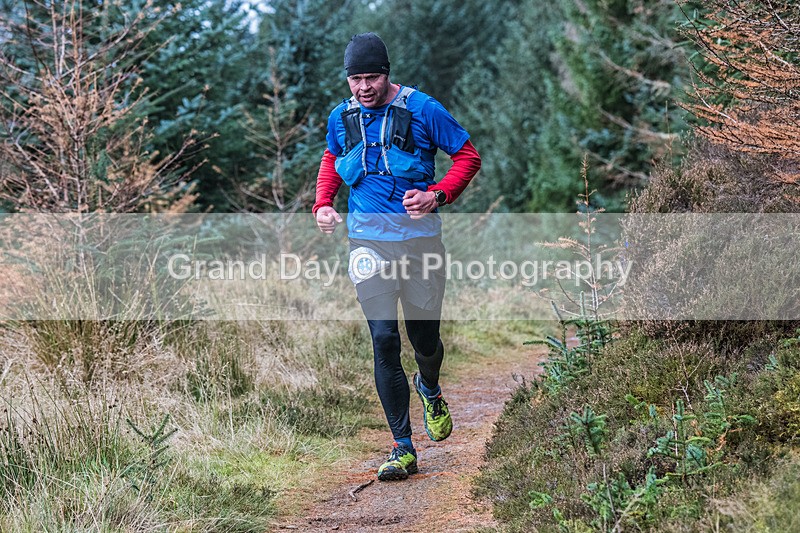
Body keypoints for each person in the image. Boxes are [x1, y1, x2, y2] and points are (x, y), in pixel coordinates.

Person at [313, 32, 481, 481]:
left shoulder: (423, 109)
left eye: (371, 77)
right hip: (367, 244)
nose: (364, 87)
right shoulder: (341, 117)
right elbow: (332, 158)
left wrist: (437, 194)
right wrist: (324, 203)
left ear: (387, 73)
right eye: (355, 79)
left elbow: (467, 156)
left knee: (424, 339)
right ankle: (402, 447)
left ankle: (429, 386)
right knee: (384, 338)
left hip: (421, 243)